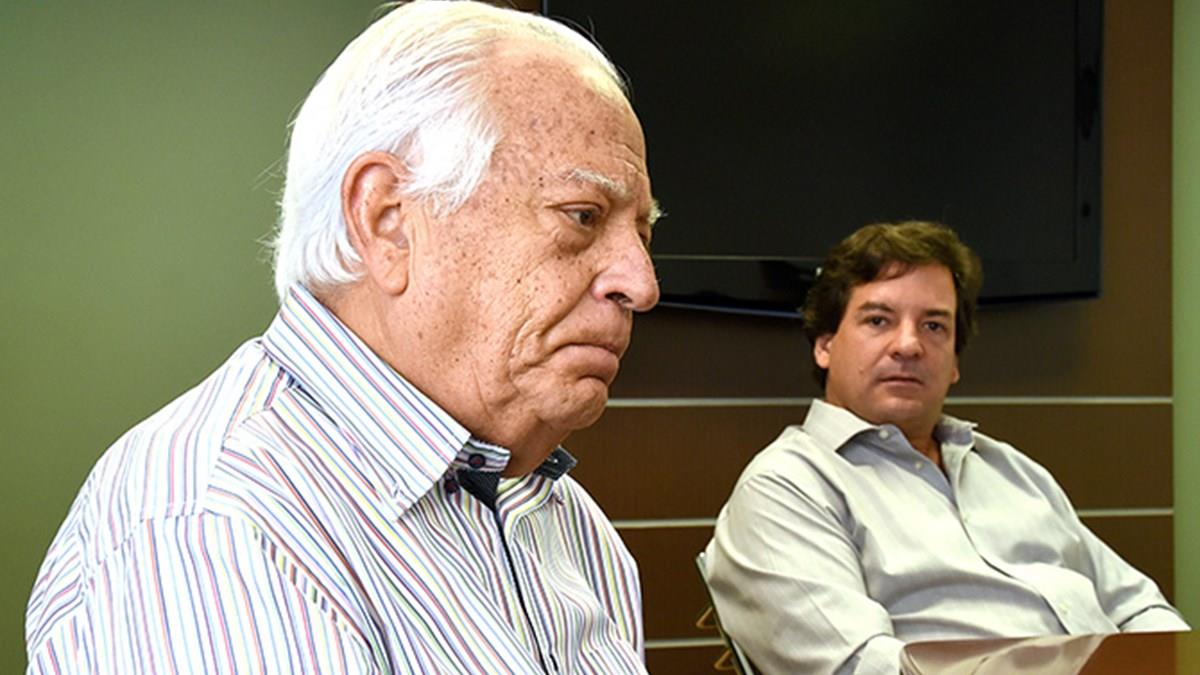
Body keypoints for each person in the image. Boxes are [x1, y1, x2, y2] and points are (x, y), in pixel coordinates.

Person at [26, 2, 660, 673]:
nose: (642, 282)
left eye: (644, 232)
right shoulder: (221, 523)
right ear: (388, 221)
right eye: (582, 216)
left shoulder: (568, 525)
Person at [703, 221, 1187, 674]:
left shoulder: (1011, 470)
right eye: (878, 320)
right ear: (824, 345)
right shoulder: (786, 488)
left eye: (934, 326)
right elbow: (862, 667)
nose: (909, 345)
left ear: (955, 362)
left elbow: (1138, 606)